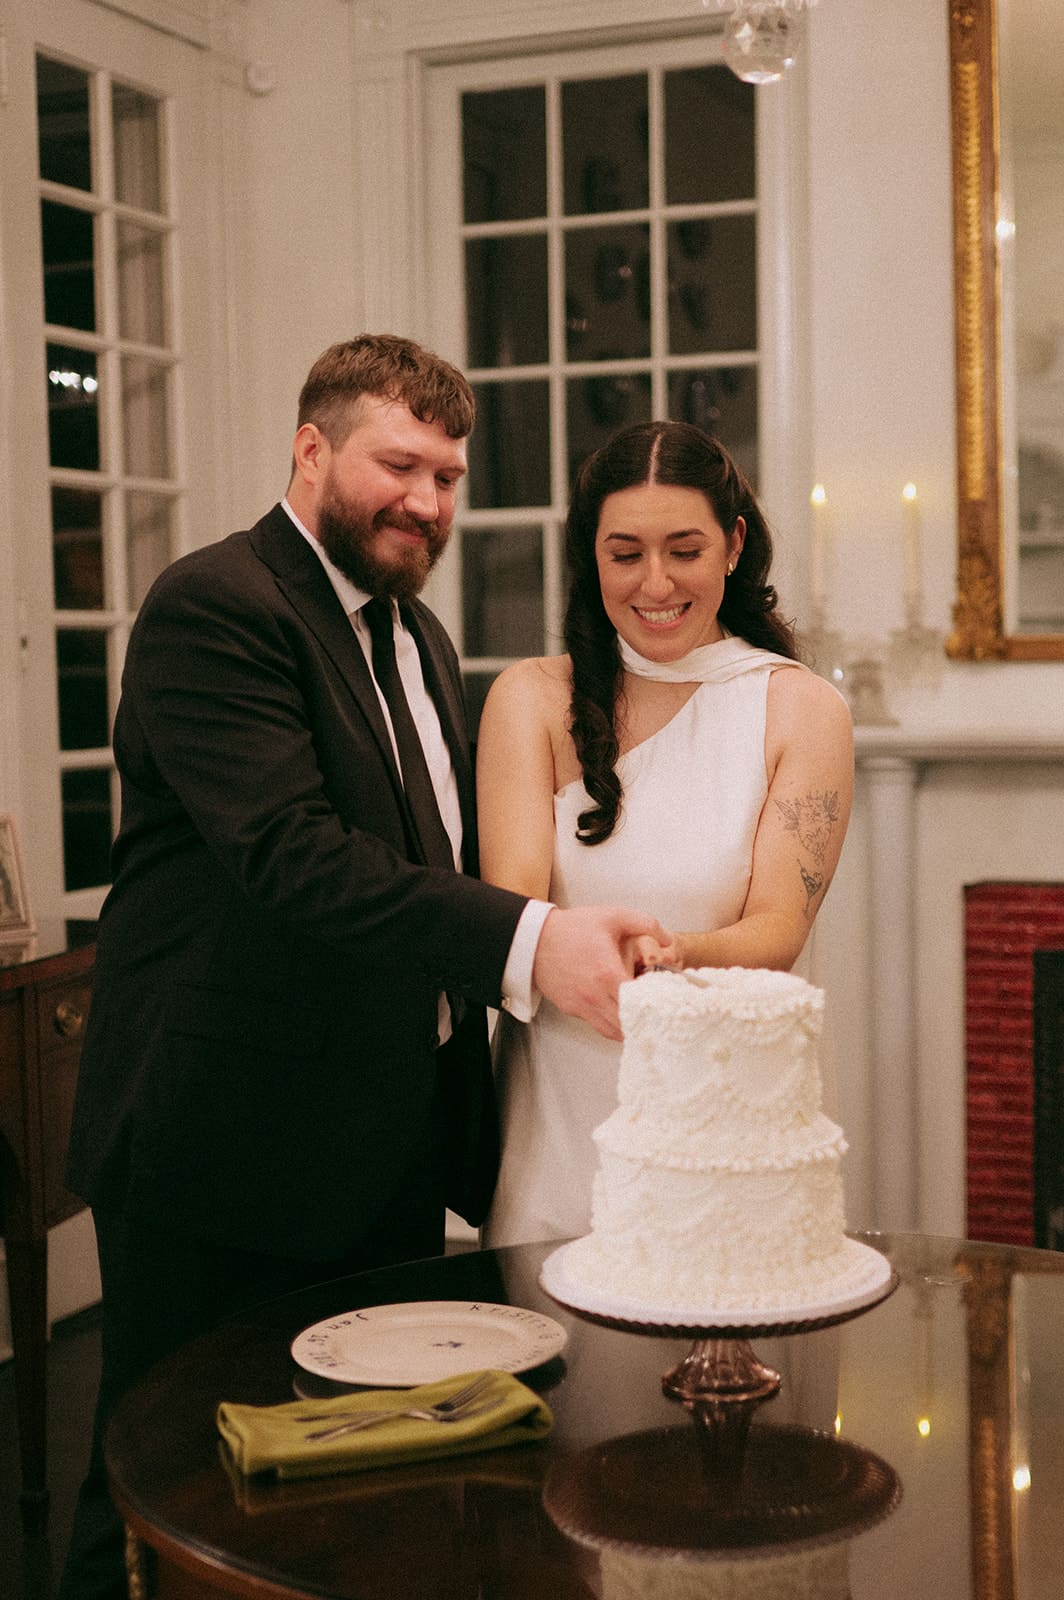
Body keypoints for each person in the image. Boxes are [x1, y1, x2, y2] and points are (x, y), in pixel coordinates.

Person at [59, 335, 666, 1600]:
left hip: (375, 1139)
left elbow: (420, 860)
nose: (428, 503)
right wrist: (531, 943)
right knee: (161, 1480)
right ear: (312, 448)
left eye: (448, 476)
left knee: (342, 1486)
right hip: (220, 1141)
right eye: (400, 465)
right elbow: (293, 856)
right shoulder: (215, 603)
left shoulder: (418, 635)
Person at [478, 420, 853, 1248]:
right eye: (625, 554)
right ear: (591, 557)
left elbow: (778, 930)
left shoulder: (801, 710)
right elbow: (512, 906)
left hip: (725, 1137)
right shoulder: (529, 699)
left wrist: (671, 954)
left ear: (733, 545)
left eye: (684, 550)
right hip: (558, 1133)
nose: (656, 583)